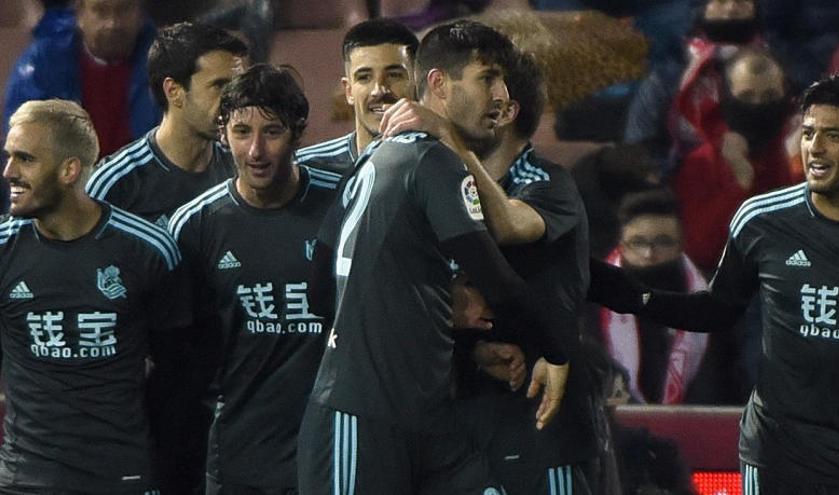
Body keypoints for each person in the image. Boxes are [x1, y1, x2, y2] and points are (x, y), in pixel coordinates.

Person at [298, 20, 571, 495]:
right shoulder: (434, 162)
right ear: (440, 85)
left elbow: (321, 287)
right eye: (487, 78)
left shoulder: (374, 158)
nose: (501, 94)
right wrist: (555, 349)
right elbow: (496, 279)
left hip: (422, 414)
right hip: (362, 420)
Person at [591, 72, 839, 493]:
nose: (815, 148)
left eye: (833, 135)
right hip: (779, 454)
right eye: (809, 133)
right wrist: (628, 294)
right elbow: (716, 310)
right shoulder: (762, 220)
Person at [0, 99, 190, 493]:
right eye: (9, 157)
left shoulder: (148, 249)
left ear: (70, 170)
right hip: (25, 480)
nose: (9, 172)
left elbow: (177, 371)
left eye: (25, 159)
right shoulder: (3, 249)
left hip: (121, 478)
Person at [169, 63, 333, 495]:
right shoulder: (194, 226)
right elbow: (176, 350)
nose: (256, 150)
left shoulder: (344, 205)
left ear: (298, 133)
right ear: (223, 133)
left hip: (331, 455)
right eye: (242, 132)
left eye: (272, 132)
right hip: (240, 459)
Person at [446, 51, 599, 495]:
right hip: (470, 421)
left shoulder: (548, 183)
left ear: (503, 109)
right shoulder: (444, 185)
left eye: (466, 87)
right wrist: (471, 352)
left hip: (543, 430)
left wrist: (447, 140)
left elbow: (511, 226)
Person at [85, 21, 248, 227]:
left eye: (238, 86)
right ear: (174, 91)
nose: (234, 99)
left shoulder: (243, 166)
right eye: (219, 86)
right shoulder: (115, 183)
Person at [673, 48, 797, 271]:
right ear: (728, 97)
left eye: (769, 96)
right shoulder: (701, 162)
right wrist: (739, 183)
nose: (758, 106)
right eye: (747, 97)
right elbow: (701, 251)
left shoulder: (807, 147)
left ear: (786, 94)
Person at [4, 0, 160, 158]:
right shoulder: (43, 64)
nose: (112, 24)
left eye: (124, 10)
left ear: (140, 15)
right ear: (80, 15)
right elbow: (23, 144)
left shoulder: (163, 62)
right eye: (100, 11)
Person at [624, 0, 762, 176]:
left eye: (741, 2)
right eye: (720, 1)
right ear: (703, 9)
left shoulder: (775, 69)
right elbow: (638, 143)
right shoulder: (668, 77)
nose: (731, 8)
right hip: (677, 179)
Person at [598, 189, 709, 404]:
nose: (649, 253)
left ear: (680, 246)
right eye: (638, 242)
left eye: (663, 242)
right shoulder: (591, 298)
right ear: (621, 245)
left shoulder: (709, 299)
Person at [295, 18, 419, 176]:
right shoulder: (307, 169)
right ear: (348, 91)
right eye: (364, 77)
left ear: (418, 84)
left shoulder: (443, 164)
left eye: (394, 75)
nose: (379, 90)